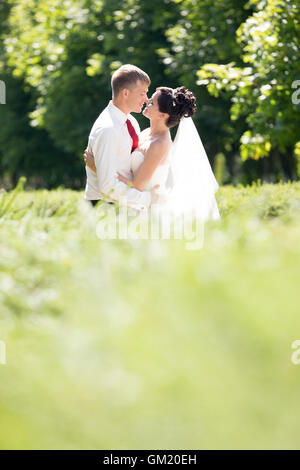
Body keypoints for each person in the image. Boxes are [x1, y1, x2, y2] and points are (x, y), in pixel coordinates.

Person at [84, 85, 221, 221]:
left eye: (152, 103)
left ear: (162, 115)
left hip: (145, 211)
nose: (146, 102)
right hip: (131, 204)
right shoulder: (145, 133)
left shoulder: (159, 144)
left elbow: (136, 184)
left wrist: (98, 167)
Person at [84, 64, 161, 210]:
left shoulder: (131, 121)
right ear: (125, 93)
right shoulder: (108, 129)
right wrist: (146, 199)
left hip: (126, 203)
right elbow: (108, 186)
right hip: (106, 206)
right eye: (142, 93)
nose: (146, 99)